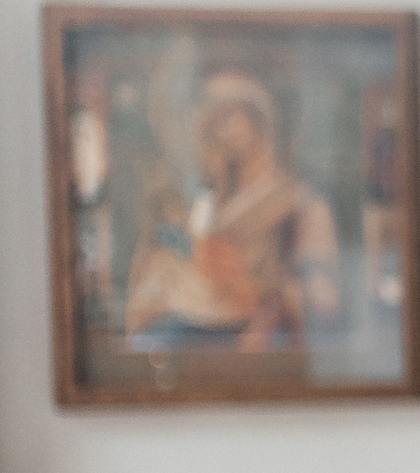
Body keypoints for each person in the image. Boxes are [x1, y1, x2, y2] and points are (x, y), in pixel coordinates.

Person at [123, 71, 341, 351]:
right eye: (214, 118)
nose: (222, 129)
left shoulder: (299, 201)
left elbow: (320, 298)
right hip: (191, 328)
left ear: (262, 121)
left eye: (233, 114)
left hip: (259, 337)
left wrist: (268, 304)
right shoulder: (204, 197)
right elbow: (169, 266)